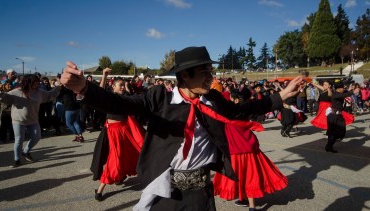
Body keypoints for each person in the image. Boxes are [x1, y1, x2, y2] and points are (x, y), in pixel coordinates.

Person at [60, 46, 301, 211]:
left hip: (201, 192)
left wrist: (278, 97)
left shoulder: (213, 100)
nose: (211, 76)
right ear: (185, 75)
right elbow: (119, 103)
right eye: (205, 71)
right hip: (167, 191)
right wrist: (84, 88)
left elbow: (241, 110)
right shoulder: (159, 99)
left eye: (211, 70)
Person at [213, 90, 288, 210]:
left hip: (234, 152)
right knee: (250, 178)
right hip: (249, 149)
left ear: (236, 100)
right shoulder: (243, 113)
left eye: (231, 100)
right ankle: (251, 206)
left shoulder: (225, 116)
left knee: (240, 177)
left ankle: (244, 199)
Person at [92, 68, 144, 201]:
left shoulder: (126, 98)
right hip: (113, 132)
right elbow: (98, 92)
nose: (122, 87)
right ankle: (101, 190)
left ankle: (115, 179)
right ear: (112, 87)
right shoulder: (109, 98)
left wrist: (127, 88)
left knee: (126, 155)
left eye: (123, 85)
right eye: (120, 85)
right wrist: (104, 75)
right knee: (115, 158)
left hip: (124, 131)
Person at [0, 74, 61, 167]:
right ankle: (17, 160)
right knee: (19, 140)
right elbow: (2, 98)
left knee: (37, 136)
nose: (37, 85)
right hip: (19, 120)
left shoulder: (39, 92)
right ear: (28, 83)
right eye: (34, 83)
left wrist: (58, 87)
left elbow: (50, 95)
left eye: (37, 83)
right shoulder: (17, 92)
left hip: (33, 120)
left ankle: (26, 151)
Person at [325, 81, 354, 153]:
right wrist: (352, 92)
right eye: (342, 88)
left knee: (342, 132)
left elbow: (345, 93)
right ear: (339, 88)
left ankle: (329, 145)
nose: (344, 89)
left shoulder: (340, 92)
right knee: (332, 132)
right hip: (333, 116)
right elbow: (344, 95)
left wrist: (349, 89)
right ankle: (329, 146)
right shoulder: (335, 94)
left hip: (339, 115)